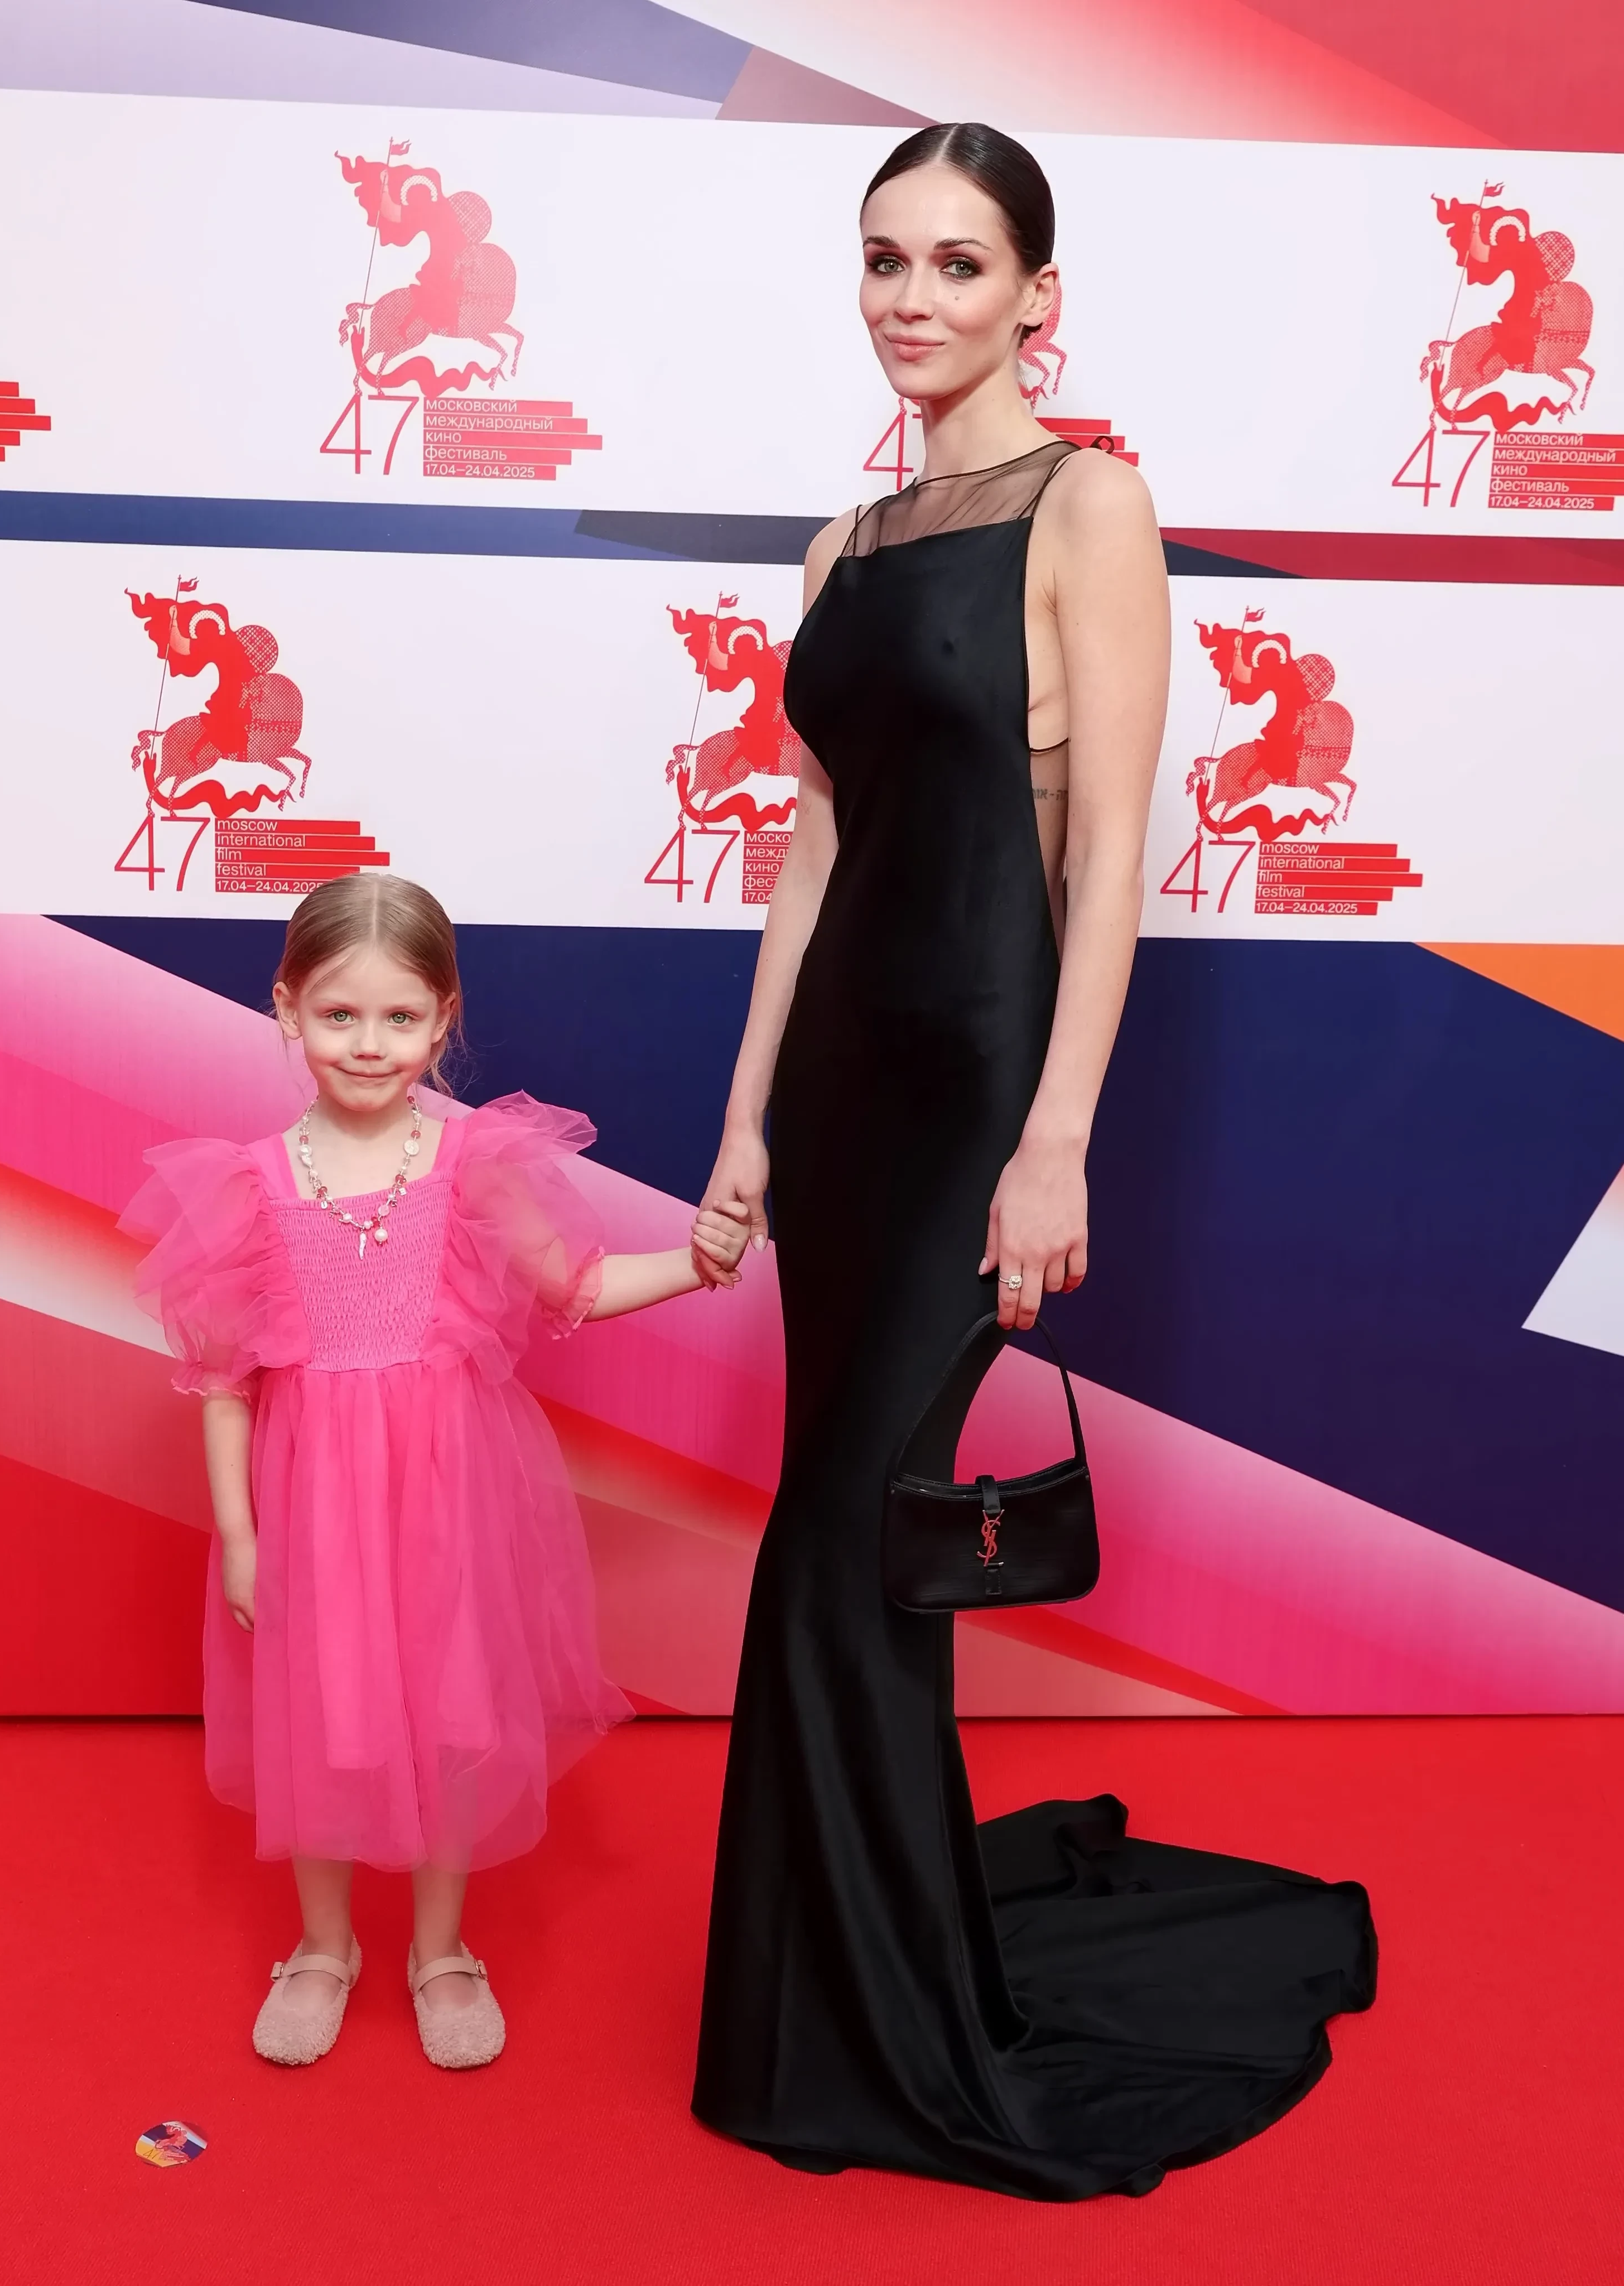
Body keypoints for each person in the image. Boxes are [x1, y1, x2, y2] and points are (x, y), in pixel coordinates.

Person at [691, 122, 1376, 2197]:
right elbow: (814, 845)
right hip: (838, 1097)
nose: (912, 298)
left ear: (1033, 296)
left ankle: (867, 2020)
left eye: (958, 263)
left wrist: (1055, 1139)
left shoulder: (1091, 505)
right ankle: (855, 1985)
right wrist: (743, 1115)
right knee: (852, 1546)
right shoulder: (844, 546)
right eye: (884, 259)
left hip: (981, 1081)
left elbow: (1108, 857)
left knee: (839, 1546)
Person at [122, 873, 748, 2070]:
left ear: (443, 1019)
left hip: (449, 1495)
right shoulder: (250, 1182)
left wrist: (695, 1261)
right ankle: (321, 1946)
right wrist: (242, 1536)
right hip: (313, 1503)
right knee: (323, 1710)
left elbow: (573, 1284)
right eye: (339, 1015)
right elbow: (222, 1380)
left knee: (451, 1710)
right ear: (287, 1008)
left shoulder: (472, 1160)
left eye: (401, 1018)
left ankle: (442, 1949)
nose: (370, 1044)